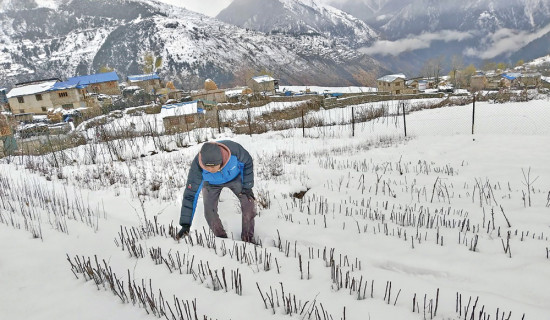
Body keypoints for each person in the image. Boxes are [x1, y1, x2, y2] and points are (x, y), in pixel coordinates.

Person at [177, 140, 256, 242]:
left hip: (234, 178)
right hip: (211, 184)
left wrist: (248, 186)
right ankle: (222, 239)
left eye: (213, 167)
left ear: (221, 161)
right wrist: (185, 224)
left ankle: (247, 239)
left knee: (248, 203)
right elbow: (190, 195)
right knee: (209, 212)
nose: (210, 170)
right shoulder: (197, 166)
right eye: (207, 167)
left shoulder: (235, 151)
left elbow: (248, 162)